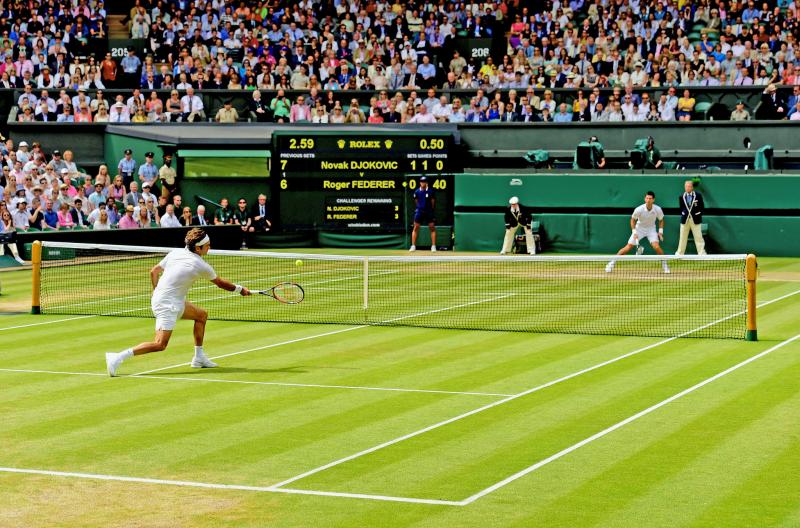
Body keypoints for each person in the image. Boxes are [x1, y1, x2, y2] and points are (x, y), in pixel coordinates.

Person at [105, 228, 252, 376]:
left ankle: (199, 357)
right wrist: (240, 290)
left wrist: (157, 292)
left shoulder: (175, 252)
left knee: (201, 315)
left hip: (170, 300)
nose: (209, 247)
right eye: (207, 245)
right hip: (168, 305)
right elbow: (220, 283)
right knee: (160, 344)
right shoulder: (200, 264)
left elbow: (154, 271)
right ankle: (117, 357)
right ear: (198, 248)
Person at [606, 191, 670, 274]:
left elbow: (661, 220)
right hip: (639, 229)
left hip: (651, 230)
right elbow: (632, 220)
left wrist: (660, 232)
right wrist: (634, 232)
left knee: (656, 247)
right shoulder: (639, 209)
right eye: (647, 198)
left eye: (650, 199)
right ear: (645, 199)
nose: (648, 200)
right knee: (627, 248)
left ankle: (665, 265)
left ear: (653, 200)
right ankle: (611, 263)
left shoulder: (657, 209)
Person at [675, 180, 707, 256]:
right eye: (686, 186)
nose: (687, 188)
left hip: (695, 219)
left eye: (689, 186)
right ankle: (680, 253)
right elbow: (681, 207)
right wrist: (684, 213)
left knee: (698, 236)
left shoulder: (698, 195)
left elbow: (701, 207)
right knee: (682, 237)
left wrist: (698, 214)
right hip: (685, 220)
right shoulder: (681, 196)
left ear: (692, 187)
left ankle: (701, 252)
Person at [409, 176, 436, 252]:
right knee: (415, 228)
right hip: (419, 212)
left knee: (432, 228)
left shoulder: (431, 191)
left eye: (424, 181)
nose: (423, 183)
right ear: (420, 183)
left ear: (427, 183)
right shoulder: (417, 192)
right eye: (421, 181)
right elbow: (416, 201)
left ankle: (433, 246)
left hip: (429, 212)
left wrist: (430, 209)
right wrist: (419, 208)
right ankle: (413, 246)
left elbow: (432, 202)